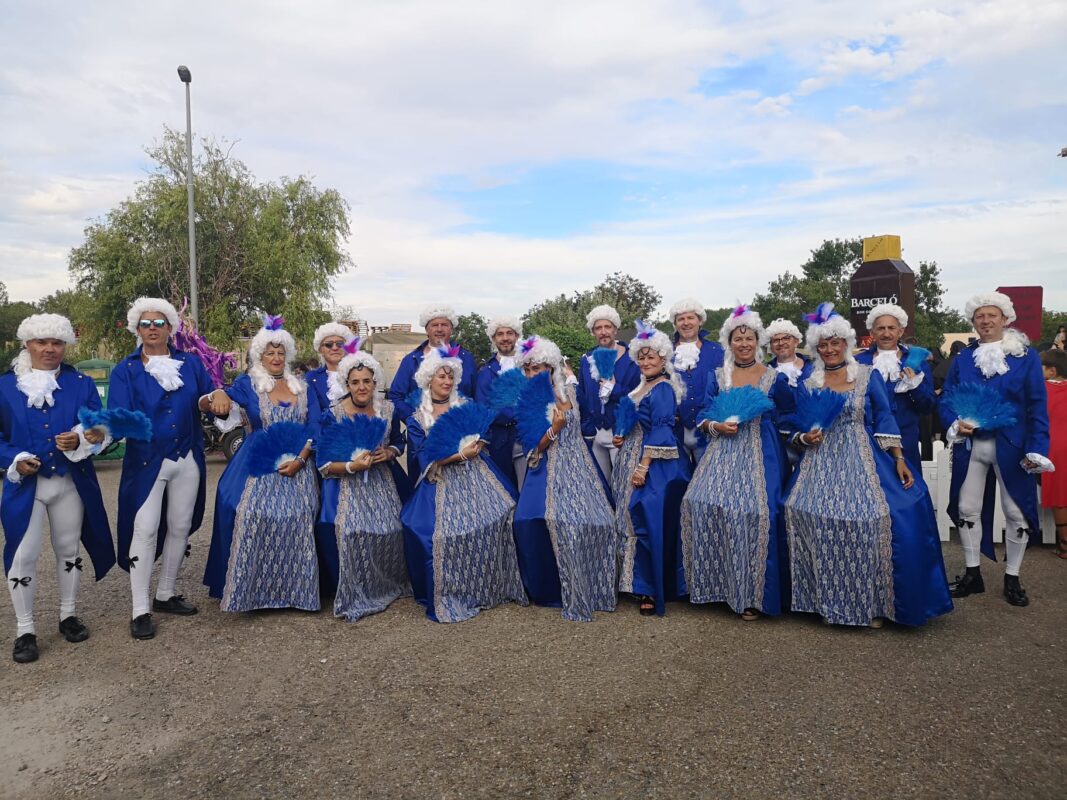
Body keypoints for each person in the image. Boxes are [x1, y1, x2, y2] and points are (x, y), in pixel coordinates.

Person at [782, 303, 952, 628]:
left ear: (846, 343)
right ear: (816, 347)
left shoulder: (866, 375)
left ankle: (874, 602)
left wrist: (898, 458)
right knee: (800, 511)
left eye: (835, 343)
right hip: (819, 462)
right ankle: (822, 599)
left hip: (863, 456)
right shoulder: (809, 382)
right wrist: (805, 437)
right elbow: (794, 425)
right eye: (823, 345)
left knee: (879, 516)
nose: (830, 350)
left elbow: (885, 416)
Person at [109, 297, 227, 641]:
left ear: (170, 328)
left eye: (158, 323)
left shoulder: (190, 363)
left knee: (180, 525)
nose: (152, 329)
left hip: (187, 456)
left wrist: (216, 395)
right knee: (145, 528)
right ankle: (139, 609)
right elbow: (118, 414)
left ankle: (165, 592)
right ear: (137, 329)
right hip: (146, 460)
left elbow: (204, 397)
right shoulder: (125, 370)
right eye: (145, 323)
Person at [0, 314, 115, 663]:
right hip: (26, 486)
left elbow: (99, 425)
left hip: (69, 481)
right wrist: (15, 458)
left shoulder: (80, 383)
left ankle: (68, 614)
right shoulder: (5, 386)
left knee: (68, 548)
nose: (50, 349)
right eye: (42, 342)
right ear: (28, 344)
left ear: (65, 345)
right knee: (24, 554)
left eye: (57, 342)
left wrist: (81, 437)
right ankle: (25, 630)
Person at [941, 292, 1053, 606]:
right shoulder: (963, 358)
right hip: (971, 445)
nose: (986, 321)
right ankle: (972, 573)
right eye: (980, 316)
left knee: (1016, 512)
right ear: (973, 321)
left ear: (1005, 319)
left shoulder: (1025, 357)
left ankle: (1012, 577)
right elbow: (947, 398)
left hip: (1012, 445)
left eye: (992, 315)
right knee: (967, 509)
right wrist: (954, 423)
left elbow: (1037, 406)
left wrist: (1037, 447)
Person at [400, 346, 526, 623]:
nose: (446, 381)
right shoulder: (417, 418)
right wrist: (458, 454)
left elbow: (484, 432)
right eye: (441, 376)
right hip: (441, 479)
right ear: (428, 379)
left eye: (450, 377)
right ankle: (452, 590)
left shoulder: (466, 407)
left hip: (476, 474)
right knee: (435, 532)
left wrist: (477, 443)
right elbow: (423, 457)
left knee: (506, 510)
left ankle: (490, 585)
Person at [204, 316, 321, 612]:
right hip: (257, 460)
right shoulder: (248, 383)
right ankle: (251, 590)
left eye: (281, 352)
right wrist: (216, 393)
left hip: (299, 459)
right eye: (270, 352)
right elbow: (215, 401)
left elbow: (315, 426)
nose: (276, 357)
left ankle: (295, 591)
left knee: (299, 515)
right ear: (260, 355)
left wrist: (301, 459)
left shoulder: (302, 387)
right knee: (246, 511)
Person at [681, 306, 791, 621]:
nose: (743, 344)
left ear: (758, 341)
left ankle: (752, 594)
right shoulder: (718, 376)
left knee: (757, 512)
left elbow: (788, 414)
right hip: (722, 451)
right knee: (697, 502)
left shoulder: (774, 377)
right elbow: (703, 414)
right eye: (737, 339)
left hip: (761, 452)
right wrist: (716, 425)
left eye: (748, 338)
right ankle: (713, 585)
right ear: (729, 343)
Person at [511, 336, 617, 621]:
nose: (532, 374)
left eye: (538, 368)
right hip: (546, 467)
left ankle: (595, 584)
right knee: (538, 520)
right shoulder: (528, 401)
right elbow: (533, 448)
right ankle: (551, 588)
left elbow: (587, 420)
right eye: (528, 369)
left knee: (602, 520)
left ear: (551, 367)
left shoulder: (570, 390)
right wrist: (554, 429)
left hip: (579, 464)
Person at [318, 344, 411, 621]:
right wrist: (351, 466)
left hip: (384, 480)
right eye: (355, 382)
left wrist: (390, 452)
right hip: (346, 484)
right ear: (347, 384)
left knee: (396, 526)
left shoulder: (388, 410)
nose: (361, 387)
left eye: (367, 381)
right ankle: (359, 588)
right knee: (350, 530)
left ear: (375, 382)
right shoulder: (333, 414)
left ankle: (389, 582)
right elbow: (323, 463)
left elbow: (399, 441)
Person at [611, 322, 691, 616]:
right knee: (627, 519)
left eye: (651, 357)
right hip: (630, 456)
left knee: (645, 519)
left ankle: (649, 588)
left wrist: (643, 467)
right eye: (641, 357)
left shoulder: (663, 388)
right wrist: (622, 435)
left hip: (654, 462)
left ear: (663, 358)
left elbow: (661, 430)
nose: (645, 362)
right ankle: (631, 581)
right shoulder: (641, 386)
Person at [855, 304, 936, 472]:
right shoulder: (858, 362)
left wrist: (915, 386)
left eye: (891, 328)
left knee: (908, 486)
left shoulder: (917, 361)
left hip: (906, 441)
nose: (886, 334)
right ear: (872, 332)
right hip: (867, 440)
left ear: (901, 331)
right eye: (881, 328)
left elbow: (928, 406)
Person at [577, 304, 641, 483]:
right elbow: (582, 395)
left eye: (608, 327)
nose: (603, 332)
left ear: (615, 329)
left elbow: (638, 396)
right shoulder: (587, 359)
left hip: (622, 434)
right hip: (596, 433)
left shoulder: (632, 358)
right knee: (601, 485)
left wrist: (615, 389)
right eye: (598, 328)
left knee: (623, 484)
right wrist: (588, 428)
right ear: (593, 332)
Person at [387, 306, 477, 422]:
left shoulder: (466, 359)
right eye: (434, 325)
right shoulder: (410, 361)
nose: (439, 329)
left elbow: (476, 397)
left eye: (444, 325)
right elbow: (395, 397)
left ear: (451, 329)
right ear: (427, 330)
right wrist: (416, 420)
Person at [669, 298, 724, 463]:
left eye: (690, 318)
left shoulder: (718, 351)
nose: (686, 323)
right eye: (681, 319)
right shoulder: (664, 352)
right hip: (674, 433)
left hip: (709, 432)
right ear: (675, 324)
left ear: (700, 321)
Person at [474, 315, 524, 487]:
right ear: (493, 338)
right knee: (505, 488)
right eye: (500, 334)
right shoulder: (486, 372)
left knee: (528, 488)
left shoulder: (528, 366)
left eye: (509, 333)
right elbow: (484, 409)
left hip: (527, 436)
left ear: (516, 336)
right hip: (499, 441)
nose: (505, 338)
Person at [1041, 348, 1067, 557]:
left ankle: (1065, 544)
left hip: (1055, 446)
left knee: (1060, 496)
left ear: (1052, 371)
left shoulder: (1042, 390)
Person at [305, 322, 354, 412]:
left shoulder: (358, 375)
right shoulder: (311, 377)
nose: (335, 348)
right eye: (328, 344)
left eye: (340, 344)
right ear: (321, 349)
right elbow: (314, 414)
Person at [766, 318, 812, 387]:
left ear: (796, 342)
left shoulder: (812, 369)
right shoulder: (765, 371)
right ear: (771, 346)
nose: (781, 343)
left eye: (785, 338)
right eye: (775, 340)